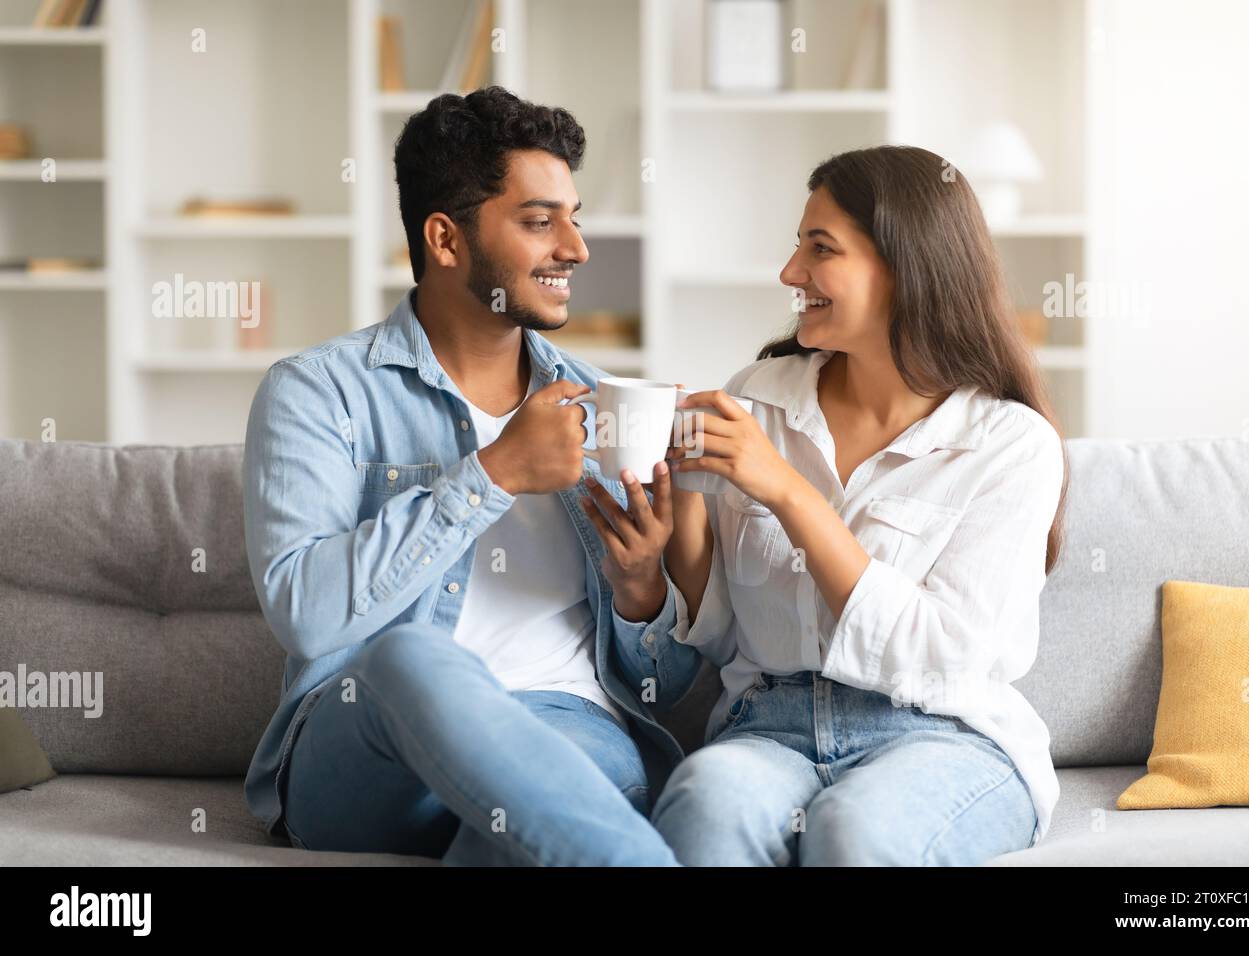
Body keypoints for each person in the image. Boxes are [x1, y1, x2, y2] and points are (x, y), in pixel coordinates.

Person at [241, 87, 696, 866]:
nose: (578, 249)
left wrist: (644, 589)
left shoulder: (608, 403)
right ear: (446, 241)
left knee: (523, 827)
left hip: (565, 728)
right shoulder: (319, 392)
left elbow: (671, 679)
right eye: (539, 221)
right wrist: (492, 474)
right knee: (411, 656)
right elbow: (307, 617)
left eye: (574, 217)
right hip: (369, 746)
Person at [643, 145, 1070, 865]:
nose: (790, 274)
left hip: (941, 733)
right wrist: (683, 491)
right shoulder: (759, 396)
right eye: (796, 245)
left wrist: (785, 489)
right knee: (704, 807)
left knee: (856, 831)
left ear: (906, 269)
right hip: (767, 728)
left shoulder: (1009, 444)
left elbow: (940, 655)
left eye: (821, 249)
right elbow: (717, 632)